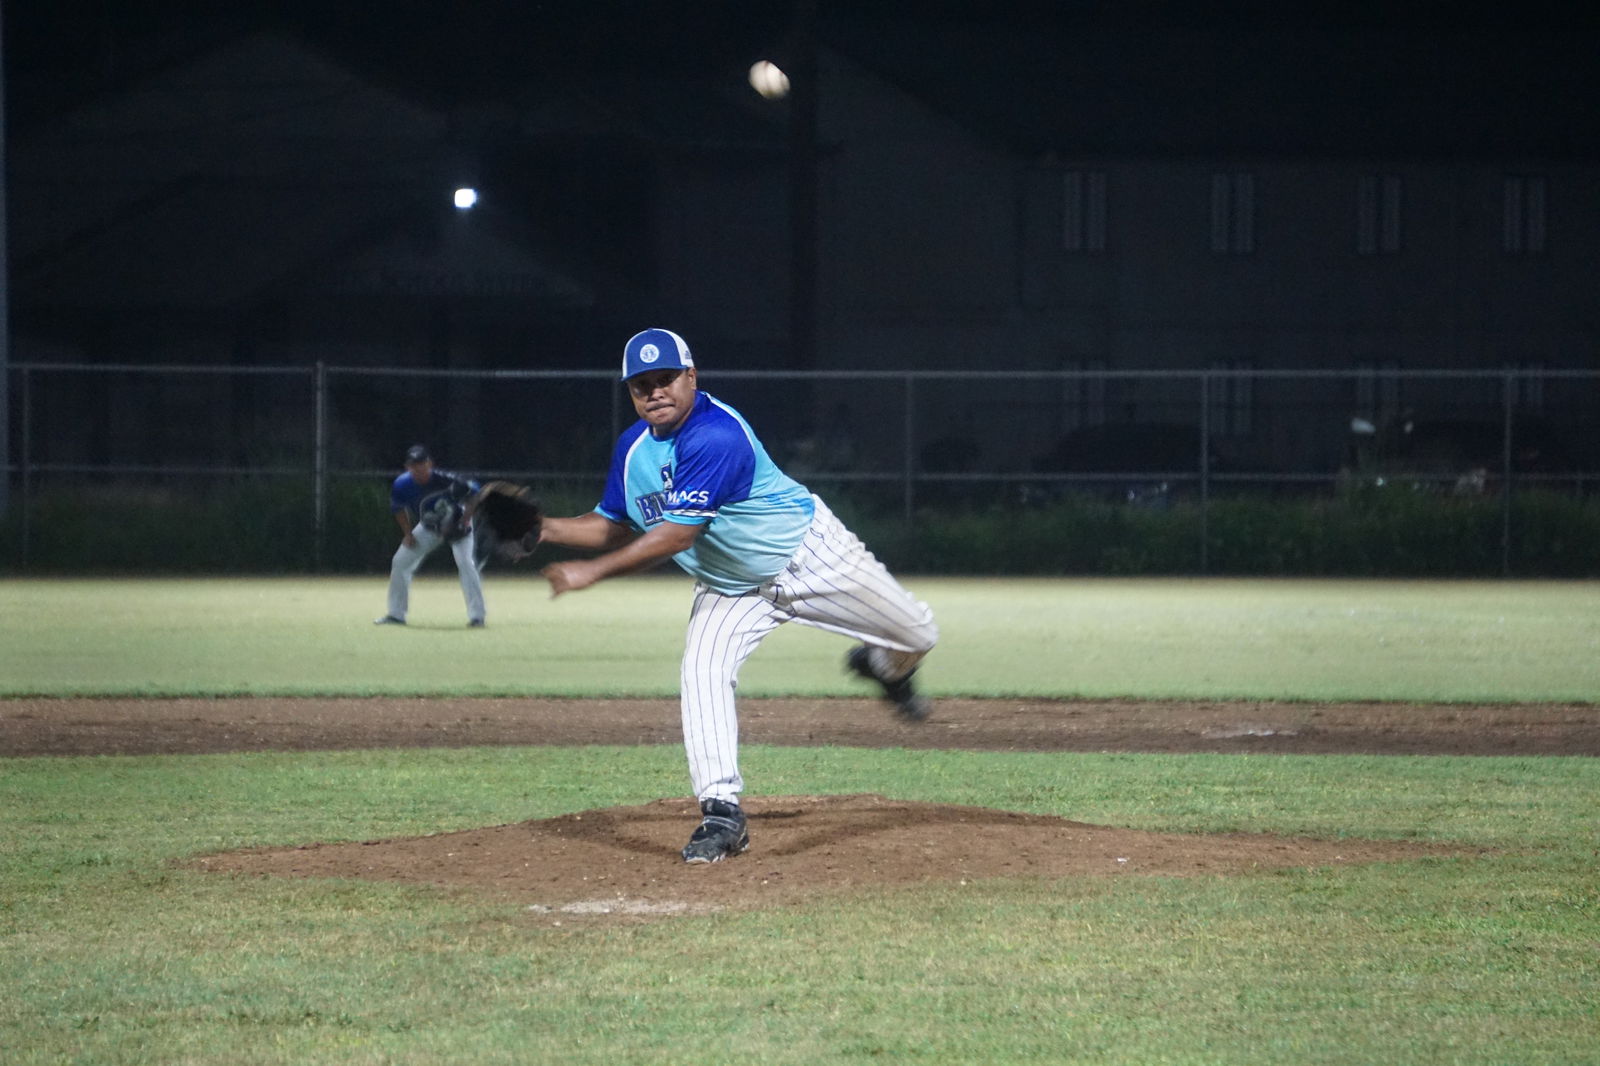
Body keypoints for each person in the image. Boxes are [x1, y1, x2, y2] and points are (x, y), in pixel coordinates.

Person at [538, 328, 938, 864]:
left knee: (918, 633)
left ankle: (884, 667)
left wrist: (593, 574)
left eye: (666, 379)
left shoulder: (714, 435)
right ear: (630, 392)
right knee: (701, 671)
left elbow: (677, 534)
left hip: (808, 555)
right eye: (641, 385)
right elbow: (616, 523)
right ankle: (722, 813)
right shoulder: (633, 449)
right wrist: (542, 528)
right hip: (731, 586)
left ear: (691, 377)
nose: (655, 392)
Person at [374, 444, 486, 628]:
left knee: (466, 563)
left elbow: (475, 493)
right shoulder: (402, 484)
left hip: (457, 524)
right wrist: (408, 534)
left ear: (430, 464)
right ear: (407, 467)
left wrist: (465, 520)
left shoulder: (447, 479)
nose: (418, 468)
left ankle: (477, 617)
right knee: (400, 561)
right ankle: (396, 614)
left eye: (421, 463)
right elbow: (398, 509)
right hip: (429, 527)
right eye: (413, 465)